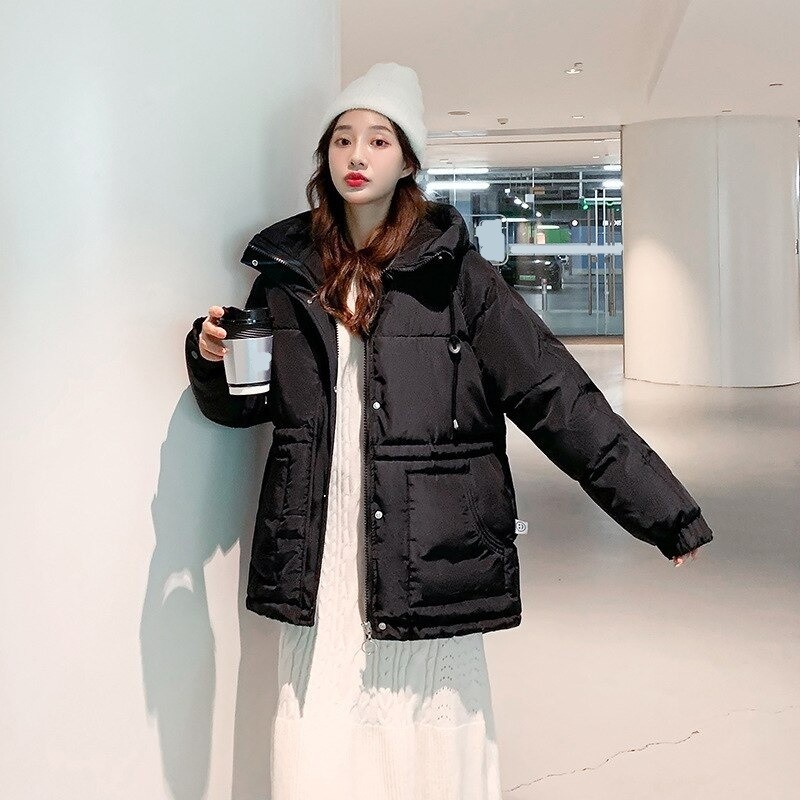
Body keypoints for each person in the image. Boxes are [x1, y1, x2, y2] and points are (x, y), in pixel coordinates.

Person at [185, 62, 713, 799]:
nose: (357, 155)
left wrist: (664, 512)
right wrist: (210, 358)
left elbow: (555, 393)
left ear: (407, 160)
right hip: (322, 547)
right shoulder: (285, 273)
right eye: (342, 139)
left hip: (423, 545)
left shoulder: (458, 274)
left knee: (427, 739)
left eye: (378, 140)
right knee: (321, 729)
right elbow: (244, 405)